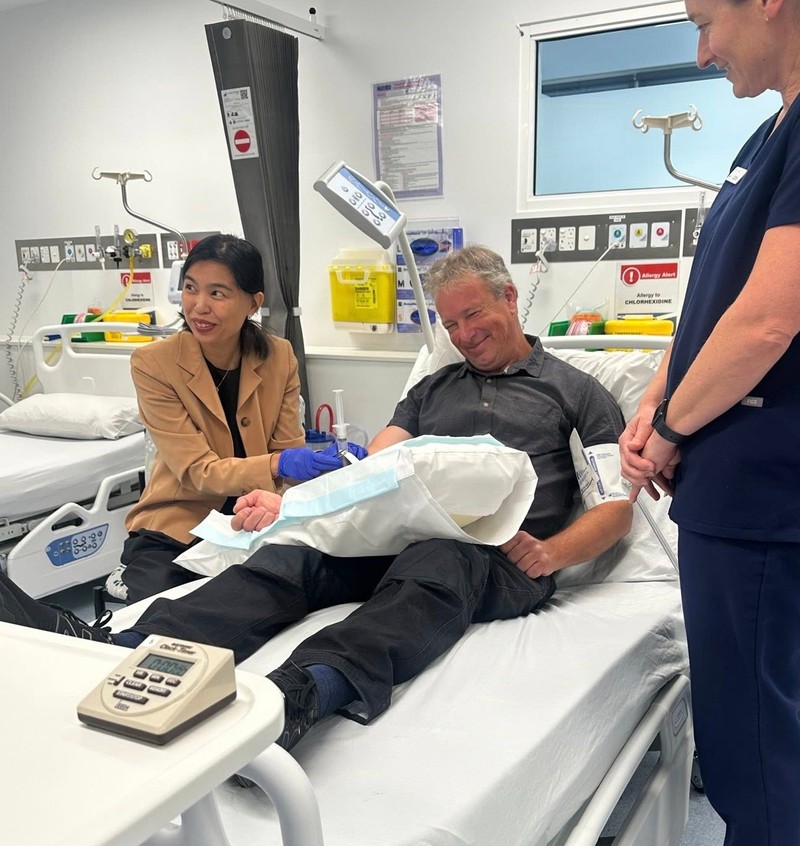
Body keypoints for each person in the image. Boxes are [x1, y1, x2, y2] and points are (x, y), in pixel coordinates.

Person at [0, 244, 631, 754]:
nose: (464, 335)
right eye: (451, 324)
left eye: (474, 316)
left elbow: (615, 505)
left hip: (493, 557)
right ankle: (121, 647)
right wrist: (291, 510)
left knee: (442, 559)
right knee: (292, 555)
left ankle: (306, 690)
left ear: (510, 297)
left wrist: (550, 554)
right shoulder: (431, 390)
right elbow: (371, 472)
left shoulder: (576, 393)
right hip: (397, 538)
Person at [620, 0, 800, 846]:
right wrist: (656, 400)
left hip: (764, 487)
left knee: (755, 720)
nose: (700, 52)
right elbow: (713, 310)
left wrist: (674, 429)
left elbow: (770, 321)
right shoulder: (762, 137)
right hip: (729, 480)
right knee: (746, 706)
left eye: (705, 21)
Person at [119, 233, 362, 602]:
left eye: (217, 293)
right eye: (190, 288)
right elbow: (196, 471)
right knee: (162, 608)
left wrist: (329, 469)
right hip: (177, 525)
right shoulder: (154, 364)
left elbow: (288, 456)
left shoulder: (278, 357)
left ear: (253, 303)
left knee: (322, 585)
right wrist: (279, 463)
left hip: (259, 516)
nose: (199, 306)